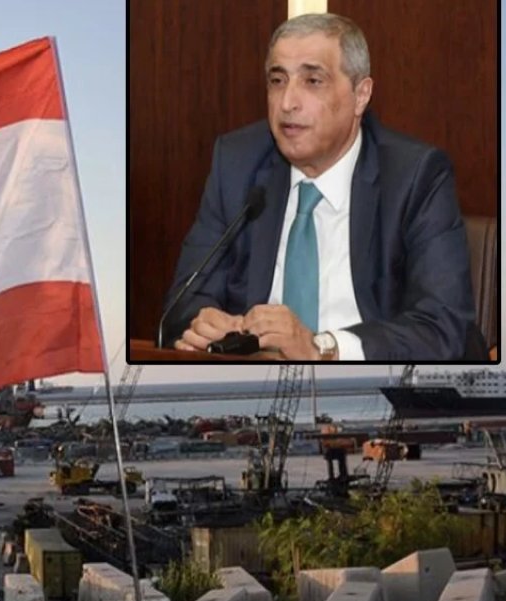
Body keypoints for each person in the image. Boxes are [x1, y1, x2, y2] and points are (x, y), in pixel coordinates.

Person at [162, 13, 483, 361]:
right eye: (277, 80)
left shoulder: (415, 176)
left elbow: (443, 328)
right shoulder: (237, 164)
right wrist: (208, 324)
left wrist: (321, 348)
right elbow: (180, 307)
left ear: (360, 95)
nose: (287, 103)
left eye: (312, 81)